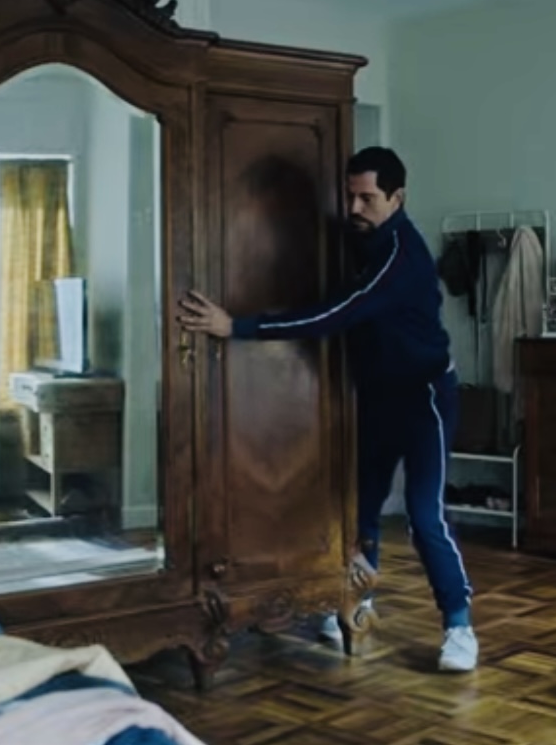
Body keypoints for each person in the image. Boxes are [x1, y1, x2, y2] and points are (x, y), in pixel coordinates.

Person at [176, 146, 477, 673]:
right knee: (360, 510)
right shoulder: (359, 238)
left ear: (398, 198)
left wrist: (236, 327)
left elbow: (337, 313)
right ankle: (356, 600)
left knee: (424, 514)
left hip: (424, 396)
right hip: (377, 395)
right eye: (350, 196)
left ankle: (459, 627)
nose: (354, 207)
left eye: (368, 198)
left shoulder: (400, 256)